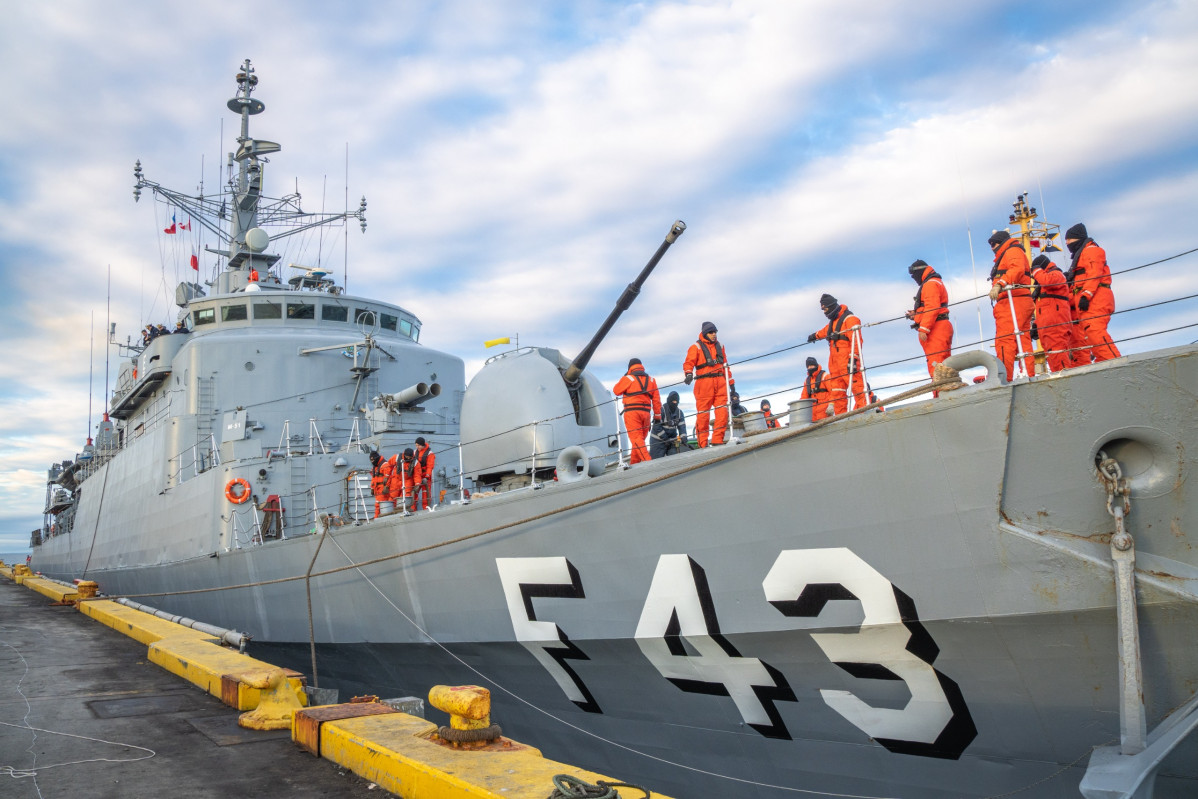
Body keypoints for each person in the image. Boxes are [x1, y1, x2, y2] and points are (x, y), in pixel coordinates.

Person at [1064, 223, 1121, 363]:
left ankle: (1115, 362)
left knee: (1095, 331)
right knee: (1090, 334)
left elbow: (1093, 273)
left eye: (1070, 241)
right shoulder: (1084, 253)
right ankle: (1103, 362)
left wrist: (1086, 294)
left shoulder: (1092, 251)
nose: (1068, 245)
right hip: (1088, 300)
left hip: (1096, 298)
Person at [987, 230, 1035, 381]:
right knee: (1022, 340)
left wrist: (1000, 284)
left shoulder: (1012, 250)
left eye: (993, 244)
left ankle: (1003, 379)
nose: (992, 248)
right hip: (1017, 301)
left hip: (1013, 301)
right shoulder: (1012, 251)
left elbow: (1017, 269)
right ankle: (1029, 374)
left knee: (1005, 341)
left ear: (1000, 242)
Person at [807, 295, 865, 414]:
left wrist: (853, 359)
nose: (824, 312)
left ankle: (866, 411)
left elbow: (857, 341)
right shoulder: (833, 323)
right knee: (837, 392)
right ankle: (841, 417)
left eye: (825, 309)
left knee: (857, 388)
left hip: (847, 362)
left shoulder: (850, 319)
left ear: (831, 306)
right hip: (835, 364)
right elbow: (824, 332)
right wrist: (814, 336)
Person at [905, 260, 953, 394]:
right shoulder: (935, 282)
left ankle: (941, 396)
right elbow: (930, 307)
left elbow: (932, 307)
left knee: (937, 365)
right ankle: (943, 393)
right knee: (943, 365)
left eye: (913, 275)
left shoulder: (930, 284)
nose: (913, 278)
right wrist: (916, 315)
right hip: (940, 326)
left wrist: (924, 328)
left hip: (936, 329)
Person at [683, 322, 734, 447]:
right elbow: (688, 363)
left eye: (715, 332)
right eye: (711, 332)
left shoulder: (720, 346)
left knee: (723, 413)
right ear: (706, 333)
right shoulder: (695, 347)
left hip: (720, 382)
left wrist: (731, 383)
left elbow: (725, 365)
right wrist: (688, 374)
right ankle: (703, 443)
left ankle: (717, 440)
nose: (714, 334)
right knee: (703, 416)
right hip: (703, 383)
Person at [1029, 254, 1073, 373]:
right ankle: (1061, 380)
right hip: (1048, 328)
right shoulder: (1043, 286)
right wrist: (1036, 326)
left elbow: (1048, 281)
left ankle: (1066, 380)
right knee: (1053, 357)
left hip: (1056, 327)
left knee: (1059, 356)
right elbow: (1045, 309)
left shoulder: (1057, 275)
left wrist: (1037, 270)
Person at [612, 358, 662, 464]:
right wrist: (657, 416)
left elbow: (616, 391)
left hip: (632, 413)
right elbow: (657, 400)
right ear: (641, 366)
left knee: (637, 440)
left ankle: (648, 462)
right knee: (639, 442)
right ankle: (634, 464)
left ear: (630, 368)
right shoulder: (651, 380)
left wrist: (625, 376)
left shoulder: (628, 379)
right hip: (646, 414)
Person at [649, 391, 688, 459]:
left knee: (674, 460)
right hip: (657, 441)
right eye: (673, 401)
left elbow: (682, 427)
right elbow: (656, 426)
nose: (675, 403)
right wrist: (665, 438)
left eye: (676, 402)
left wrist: (684, 438)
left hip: (671, 442)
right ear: (669, 401)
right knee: (656, 462)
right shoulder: (661, 410)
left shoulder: (679, 413)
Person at [390, 448, 422, 512]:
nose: (408, 458)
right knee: (392, 497)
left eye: (410, 457)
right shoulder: (396, 458)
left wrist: (417, 484)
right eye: (407, 457)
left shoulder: (415, 463)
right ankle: (390, 512)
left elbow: (417, 475)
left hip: (407, 481)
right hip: (396, 480)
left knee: (407, 497)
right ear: (404, 454)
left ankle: (408, 511)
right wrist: (387, 477)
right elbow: (388, 467)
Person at [800, 356, 832, 422]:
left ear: (815, 365)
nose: (809, 368)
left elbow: (833, 392)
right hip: (812, 415)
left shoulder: (825, 376)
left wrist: (831, 405)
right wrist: (796, 408)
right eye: (808, 366)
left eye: (811, 365)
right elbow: (804, 397)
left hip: (826, 413)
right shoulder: (807, 381)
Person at [369, 450, 394, 518]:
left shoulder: (385, 465)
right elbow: (374, 478)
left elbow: (388, 477)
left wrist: (386, 487)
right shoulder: (376, 466)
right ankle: (377, 518)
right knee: (378, 504)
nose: (372, 461)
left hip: (382, 488)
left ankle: (377, 518)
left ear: (376, 458)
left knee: (379, 504)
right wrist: (372, 488)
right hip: (377, 489)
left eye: (373, 460)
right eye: (371, 460)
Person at [413, 437, 436, 510]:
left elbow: (430, 466)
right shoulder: (414, 452)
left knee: (425, 494)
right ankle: (412, 509)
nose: (417, 447)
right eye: (416, 445)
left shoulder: (430, 454)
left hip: (425, 476)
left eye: (418, 445)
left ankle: (426, 509)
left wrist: (427, 477)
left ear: (423, 445)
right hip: (417, 476)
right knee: (414, 493)